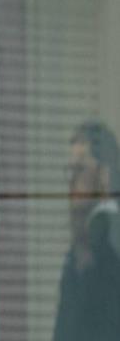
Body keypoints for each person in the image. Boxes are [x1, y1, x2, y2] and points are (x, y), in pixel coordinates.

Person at [53, 122, 120, 341]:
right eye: (70, 170)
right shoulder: (83, 243)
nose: (72, 181)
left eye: (80, 169)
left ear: (104, 176)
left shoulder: (108, 241)